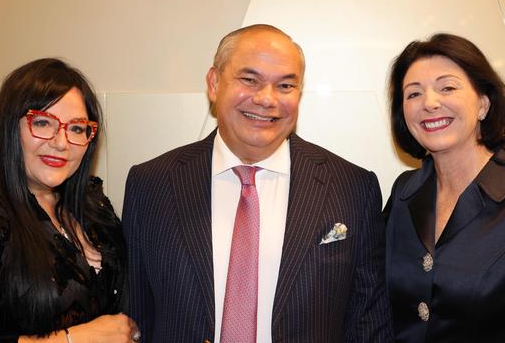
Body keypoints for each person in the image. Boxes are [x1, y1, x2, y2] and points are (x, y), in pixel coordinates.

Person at [122, 24, 392, 342]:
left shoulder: (352, 187)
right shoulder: (152, 185)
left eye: (286, 86)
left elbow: (368, 324)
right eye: (250, 80)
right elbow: (133, 319)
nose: (266, 99)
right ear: (213, 83)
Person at [384, 33, 505, 342]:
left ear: (484, 105)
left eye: (447, 87)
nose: (429, 103)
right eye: (413, 94)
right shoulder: (404, 193)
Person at [0, 58, 140, 342]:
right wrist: (73, 339)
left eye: (77, 128)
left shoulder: (93, 205)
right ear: (9, 127)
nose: (61, 142)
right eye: (42, 122)